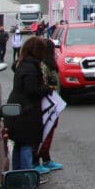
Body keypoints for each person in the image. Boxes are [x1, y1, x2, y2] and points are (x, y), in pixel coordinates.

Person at [5, 36, 51, 171]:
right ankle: (26, 176)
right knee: (26, 144)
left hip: (17, 109)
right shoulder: (31, 67)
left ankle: (17, 175)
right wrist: (46, 89)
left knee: (19, 144)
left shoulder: (21, 63)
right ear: (37, 51)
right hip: (26, 112)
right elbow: (32, 90)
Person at [33, 38, 65, 174]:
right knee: (44, 134)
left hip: (53, 104)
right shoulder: (43, 66)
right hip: (47, 105)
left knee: (49, 132)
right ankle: (36, 161)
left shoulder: (50, 65)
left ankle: (46, 159)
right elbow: (44, 85)